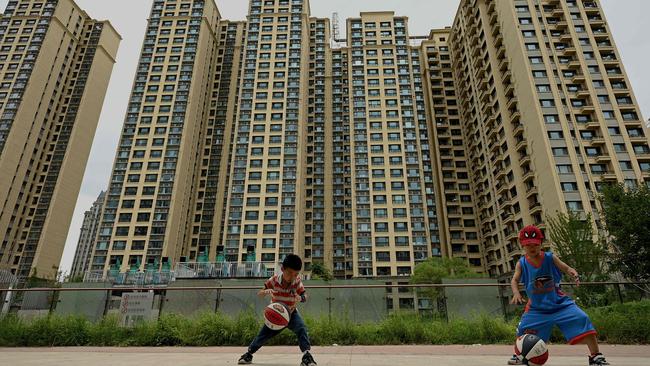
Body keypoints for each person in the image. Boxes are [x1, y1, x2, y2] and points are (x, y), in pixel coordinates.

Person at [507, 225, 609, 365]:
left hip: (559, 304)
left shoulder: (549, 257)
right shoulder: (521, 263)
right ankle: (519, 354)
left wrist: (571, 271)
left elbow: (565, 267)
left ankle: (595, 356)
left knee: (582, 318)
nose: (532, 248)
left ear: (541, 243)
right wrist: (516, 292)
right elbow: (514, 280)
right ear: (522, 245)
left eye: (535, 245)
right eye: (528, 245)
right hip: (537, 308)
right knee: (523, 328)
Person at [238, 254, 317, 366]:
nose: (292, 277)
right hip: (276, 314)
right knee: (263, 335)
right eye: (289, 273)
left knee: (302, 328)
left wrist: (301, 298)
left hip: (291, 313)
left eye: (296, 274)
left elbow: (305, 295)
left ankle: (307, 356)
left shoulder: (297, 282)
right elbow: (260, 293)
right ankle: (248, 354)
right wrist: (265, 292)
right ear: (282, 269)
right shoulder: (274, 280)